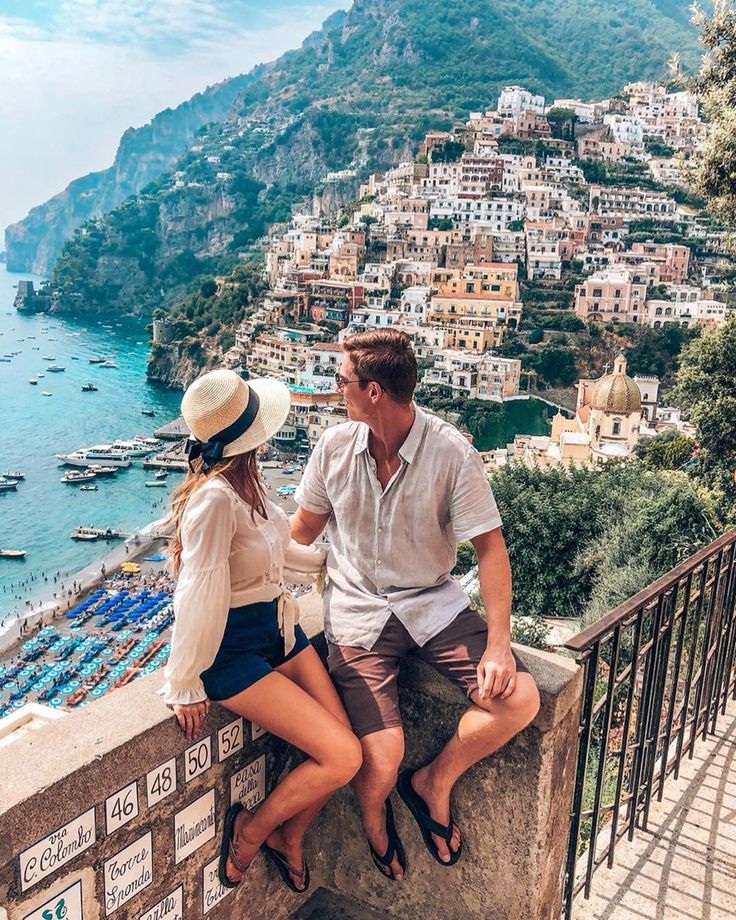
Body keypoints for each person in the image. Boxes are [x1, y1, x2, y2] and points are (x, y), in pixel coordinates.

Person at [292, 329, 540, 880]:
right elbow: (302, 532)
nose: (337, 390)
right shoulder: (333, 449)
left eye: (343, 381)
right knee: (380, 757)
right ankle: (375, 813)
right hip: (357, 613)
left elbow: (491, 549)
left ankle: (434, 781)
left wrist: (499, 646)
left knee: (519, 701)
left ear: (374, 390)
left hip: (432, 604)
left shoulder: (450, 452)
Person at [159, 369, 361, 892]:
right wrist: (184, 681)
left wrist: (329, 567)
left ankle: (288, 836)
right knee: (343, 756)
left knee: (344, 749)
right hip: (233, 651)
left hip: (279, 628)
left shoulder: (247, 483)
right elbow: (198, 591)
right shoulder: (214, 500)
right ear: (251, 436)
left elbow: (274, 552)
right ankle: (253, 829)